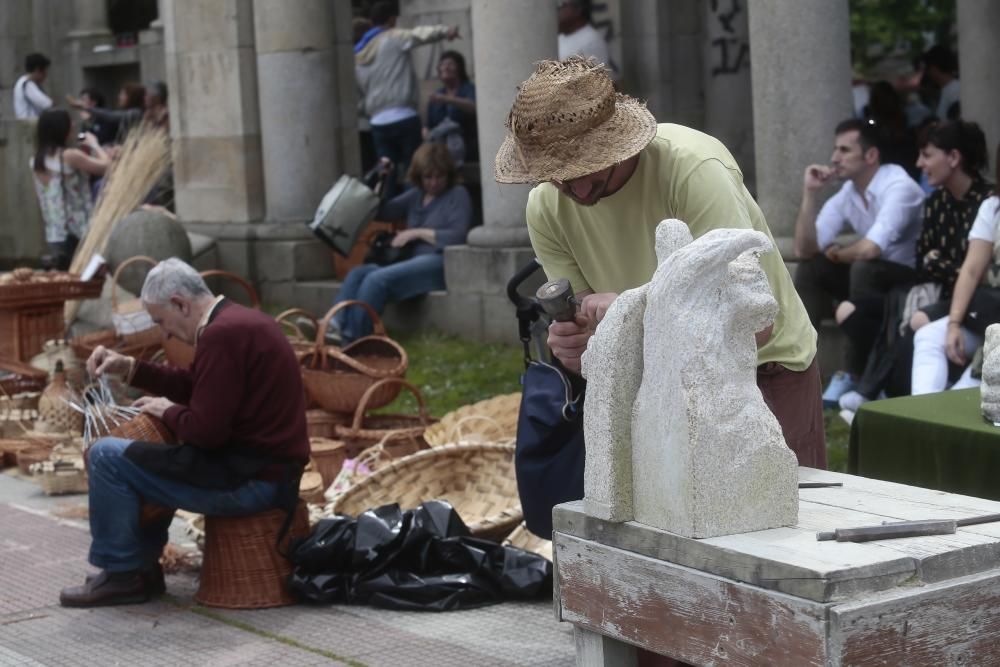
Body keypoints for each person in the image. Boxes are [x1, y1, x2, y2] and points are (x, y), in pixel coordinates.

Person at [495, 56, 824, 468]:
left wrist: (633, 313)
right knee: (672, 525)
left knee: (781, 518)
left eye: (588, 165)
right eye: (557, 173)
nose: (576, 187)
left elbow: (755, 325)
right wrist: (579, 344)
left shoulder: (692, 169)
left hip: (759, 371)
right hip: (657, 379)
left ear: (617, 141)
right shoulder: (545, 207)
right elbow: (588, 319)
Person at [59, 258, 310, 607]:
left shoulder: (222, 335)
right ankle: (141, 568)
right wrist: (130, 368)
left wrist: (169, 411)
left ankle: (122, 574)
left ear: (180, 303)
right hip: (266, 474)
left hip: (251, 483)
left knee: (106, 456)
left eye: (161, 320)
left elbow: (206, 433)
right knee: (148, 459)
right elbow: (199, 386)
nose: (164, 333)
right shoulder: (238, 320)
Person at [793, 118, 925, 407]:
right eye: (835, 150)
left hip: (907, 280)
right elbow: (804, 249)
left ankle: (856, 375)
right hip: (868, 276)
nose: (833, 158)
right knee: (811, 269)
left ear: (871, 156)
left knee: (863, 267)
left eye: (844, 150)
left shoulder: (898, 186)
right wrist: (810, 193)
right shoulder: (848, 193)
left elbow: (871, 249)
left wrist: (838, 253)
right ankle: (799, 366)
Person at [331, 143, 472, 344]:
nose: (433, 183)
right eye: (428, 177)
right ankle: (334, 325)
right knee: (358, 274)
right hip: (412, 261)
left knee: (376, 279)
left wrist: (416, 233)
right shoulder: (416, 195)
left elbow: (458, 236)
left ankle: (353, 340)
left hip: (439, 261)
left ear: (448, 175)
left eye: (439, 176)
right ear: (419, 176)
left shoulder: (458, 194)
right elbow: (383, 211)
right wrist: (384, 178)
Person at [910, 137, 997, 395]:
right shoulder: (993, 207)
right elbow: (971, 270)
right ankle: (922, 416)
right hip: (989, 316)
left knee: (970, 386)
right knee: (927, 335)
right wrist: (954, 325)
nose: (920, 164)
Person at [355, 1, 459, 198]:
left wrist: (366, 109)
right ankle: (414, 215)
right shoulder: (392, 37)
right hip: (404, 116)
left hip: (378, 122)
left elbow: (358, 94)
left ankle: (391, 220)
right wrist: (446, 31)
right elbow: (417, 35)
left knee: (386, 173)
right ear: (392, 19)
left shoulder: (359, 52)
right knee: (415, 170)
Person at [30, 109, 111, 269]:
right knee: (82, 280)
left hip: (54, 233)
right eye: (69, 123)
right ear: (61, 130)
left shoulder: (35, 162)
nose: (73, 126)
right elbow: (107, 167)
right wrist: (94, 144)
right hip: (78, 232)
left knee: (64, 280)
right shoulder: (70, 156)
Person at [425, 50, 477, 163]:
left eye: (450, 64)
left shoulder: (468, 89)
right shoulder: (438, 93)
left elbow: (473, 108)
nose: (445, 67)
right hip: (440, 150)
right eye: (442, 64)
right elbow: (428, 126)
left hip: (467, 148)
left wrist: (446, 99)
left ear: (460, 68)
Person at [557, 0, 619, 81]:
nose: (558, 9)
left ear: (578, 9)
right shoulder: (560, 37)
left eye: (563, 5)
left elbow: (592, 85)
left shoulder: (592, 41)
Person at [920, 45, 961, 121]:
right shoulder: (950, 89)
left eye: (927, 69)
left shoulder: (954, 90)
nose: (926, 74)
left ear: (934, 68)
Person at [13, 52, 53, 119]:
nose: (46, 75)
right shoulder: (27, 84)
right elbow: (47, 103)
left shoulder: (22, 82)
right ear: (37, 70)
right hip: (29, 125)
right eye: (45, 72)